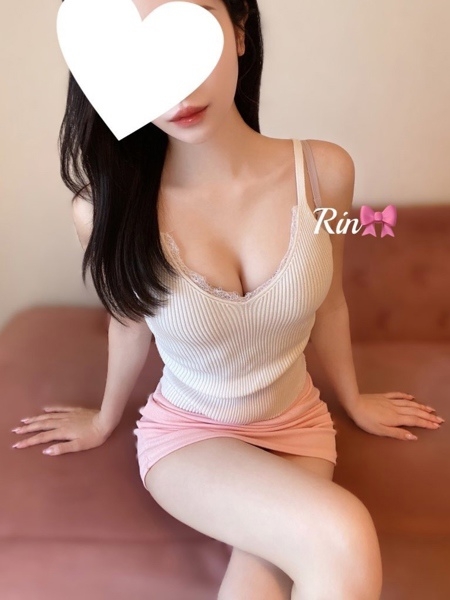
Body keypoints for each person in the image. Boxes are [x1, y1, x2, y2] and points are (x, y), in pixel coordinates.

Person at [12, 1, 443, 598]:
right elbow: (129, 324)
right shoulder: (103, 211)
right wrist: (105, 418)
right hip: (188, 434)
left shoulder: (324, 172)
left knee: (261, 579)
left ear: (240, 31)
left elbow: (331, 302)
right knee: (341, 533)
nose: (176, 86)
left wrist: (354, 400)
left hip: (298, 426)